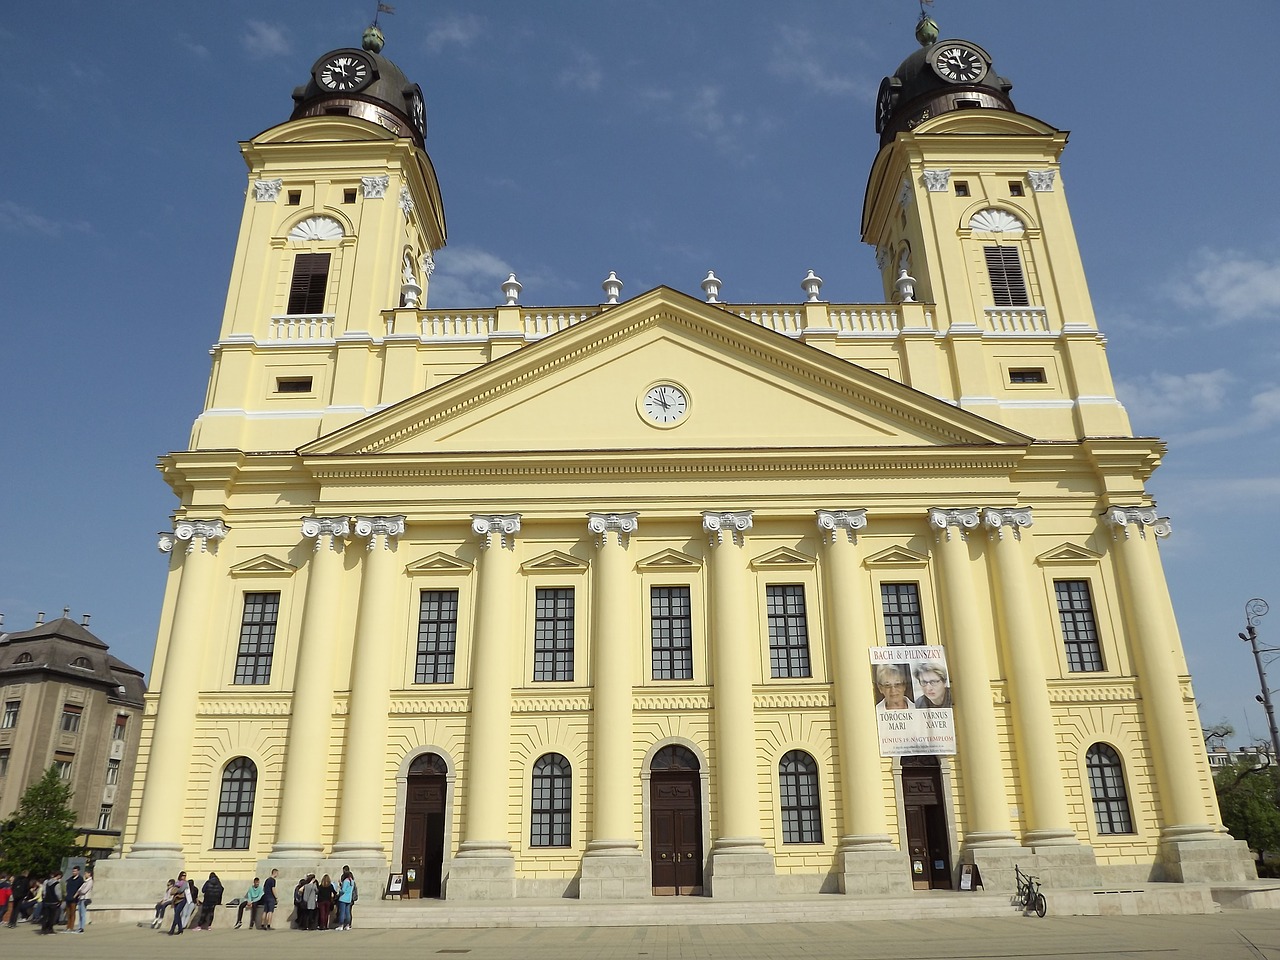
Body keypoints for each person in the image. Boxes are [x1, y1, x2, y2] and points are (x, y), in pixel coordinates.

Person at [168, 870, 190, 935]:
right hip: (176, 900)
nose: (184, 877)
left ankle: (172, 929)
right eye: (183, 875)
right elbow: (172, 891)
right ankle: (180, 929)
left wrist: (176, 889)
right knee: (177, 915)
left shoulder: (185, 883)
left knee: (177, 914)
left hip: (182, 899)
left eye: (185, 875)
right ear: (180, 876)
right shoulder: (177, 882)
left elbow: (181, 890)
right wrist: (176, 889)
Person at [72, 868, 93, 933]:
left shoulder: (90, 881)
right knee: (80, 913)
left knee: (83, 914)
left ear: (89, 874)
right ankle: (79, 927)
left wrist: (79, 891)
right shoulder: (86, 881)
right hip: (81, 898)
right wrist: (79, 892)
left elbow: (84, 891)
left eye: (86, 873)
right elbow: (79, 889)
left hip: (85, 898)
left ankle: (82, 928)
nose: (85, 875)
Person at [63, 865, 83, 930]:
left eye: (75, 871)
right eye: (73, 871)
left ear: (78, 871)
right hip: (68, 897)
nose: (73, 872)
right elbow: (66, 885)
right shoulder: (70, 879)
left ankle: (71, 926)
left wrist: (76, 895)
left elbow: (80, 888)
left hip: (74, 899)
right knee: (68, 913)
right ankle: (68, 926)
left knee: (72, 913)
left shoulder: (80, 879)